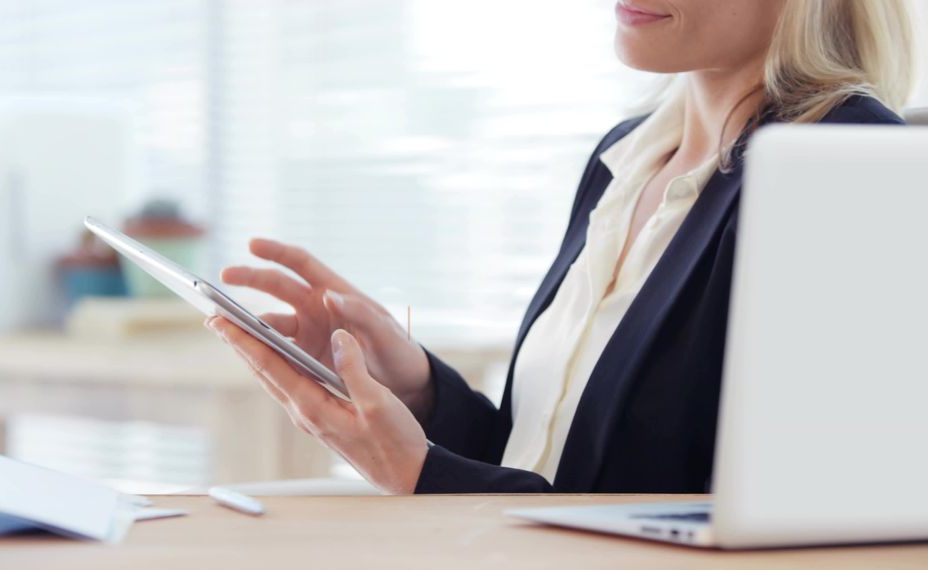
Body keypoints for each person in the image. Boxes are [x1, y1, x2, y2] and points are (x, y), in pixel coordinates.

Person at [207, 0, 918, 494]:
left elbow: (787, 528)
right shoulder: (625, 158)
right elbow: (551, 468)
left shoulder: (846, 160)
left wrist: (422, 474)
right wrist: (419, 391)